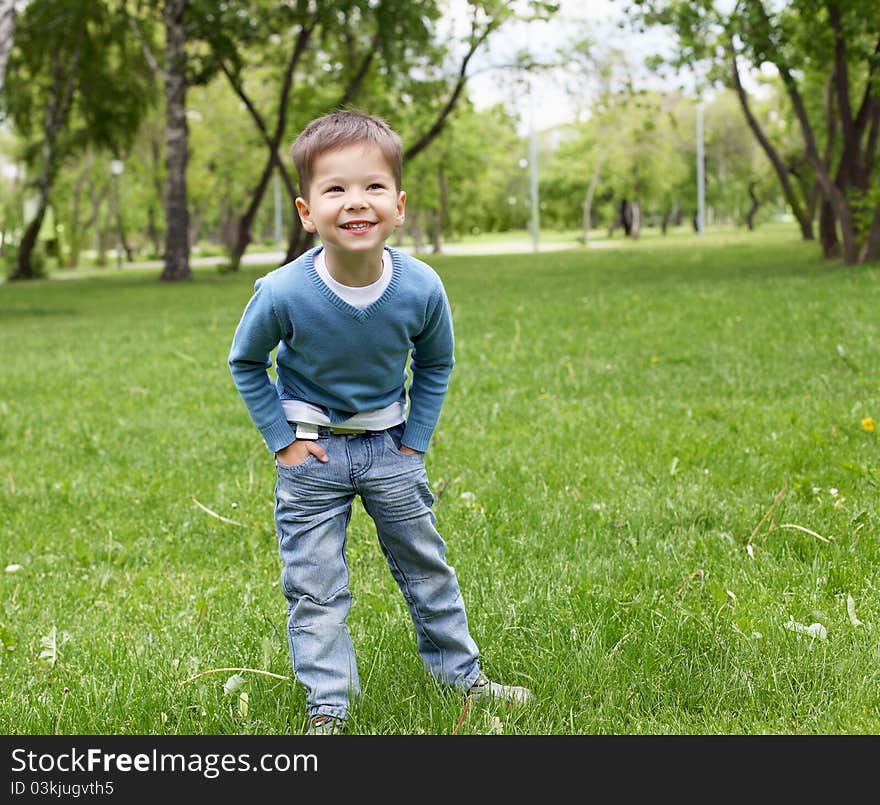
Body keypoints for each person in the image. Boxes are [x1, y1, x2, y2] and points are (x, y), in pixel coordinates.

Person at [228, 109, 533, 735]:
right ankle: (329, 708)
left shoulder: (421, 286)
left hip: (390, 448)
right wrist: (282, 441)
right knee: (315, 587)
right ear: (307, 211)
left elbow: (437, 362)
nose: (354, 202)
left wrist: (415, 442)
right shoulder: (283, 292)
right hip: (312, 458)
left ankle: (462, 677)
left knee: (426, 566)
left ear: (398, 206)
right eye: (334, 189)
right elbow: (246, 362)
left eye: (371, 187)